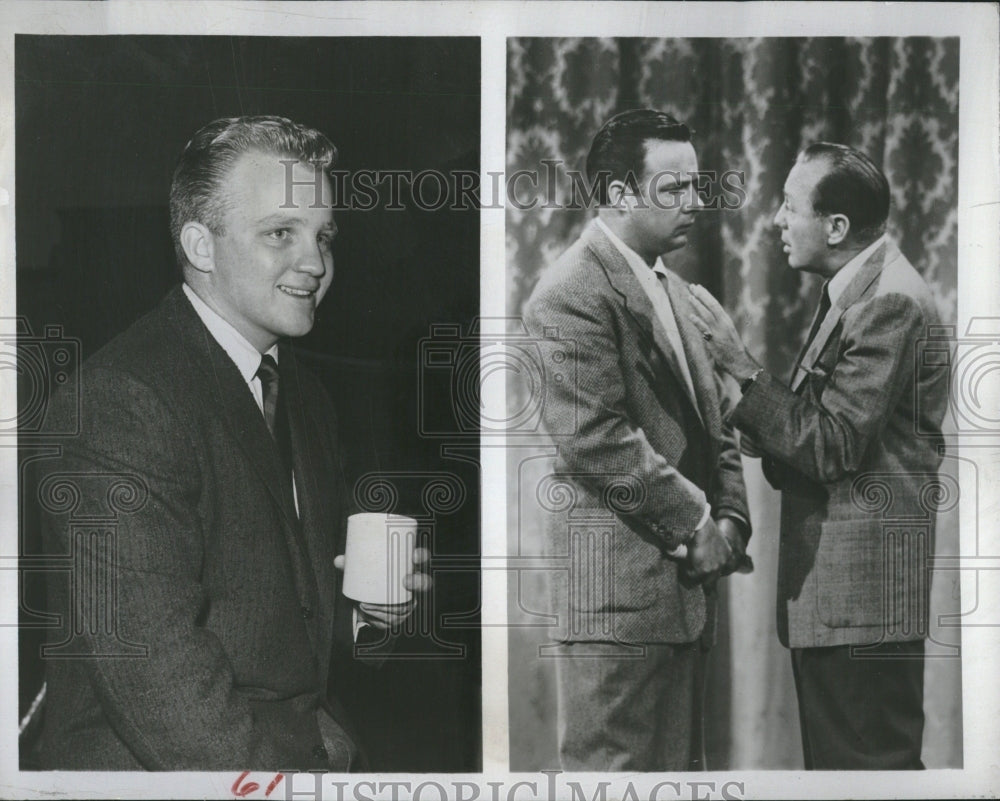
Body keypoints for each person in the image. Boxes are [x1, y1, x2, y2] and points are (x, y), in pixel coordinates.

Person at [34, 115, 430, 771]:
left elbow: (304, 622)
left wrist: (375, 614)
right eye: (282, 232)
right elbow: (163, 687)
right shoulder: (118, 401)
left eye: (323, 234)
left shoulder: (304, 397)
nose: (316, 261)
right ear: (202, 244)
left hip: (300, 753)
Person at [687, 142, 949, 769]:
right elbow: (829, 430)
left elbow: (832, 446)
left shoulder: (887, 300)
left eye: (788, 204)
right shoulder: (857, 286)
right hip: (848, 606)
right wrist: (766, 427)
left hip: (861, 606)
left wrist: (739, 367)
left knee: (868, 775)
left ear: (835, 227)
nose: (776, 220)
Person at [523, 109, 752, 772]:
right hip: (616, 607)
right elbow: (593, 439)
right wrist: (697, 518)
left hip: (684, 596)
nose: (696, 203)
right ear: (620, 195)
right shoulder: (569, 291)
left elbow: (717, 421)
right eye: (675, 188)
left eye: (698, 186)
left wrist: (731, 515)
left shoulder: (676, 290)